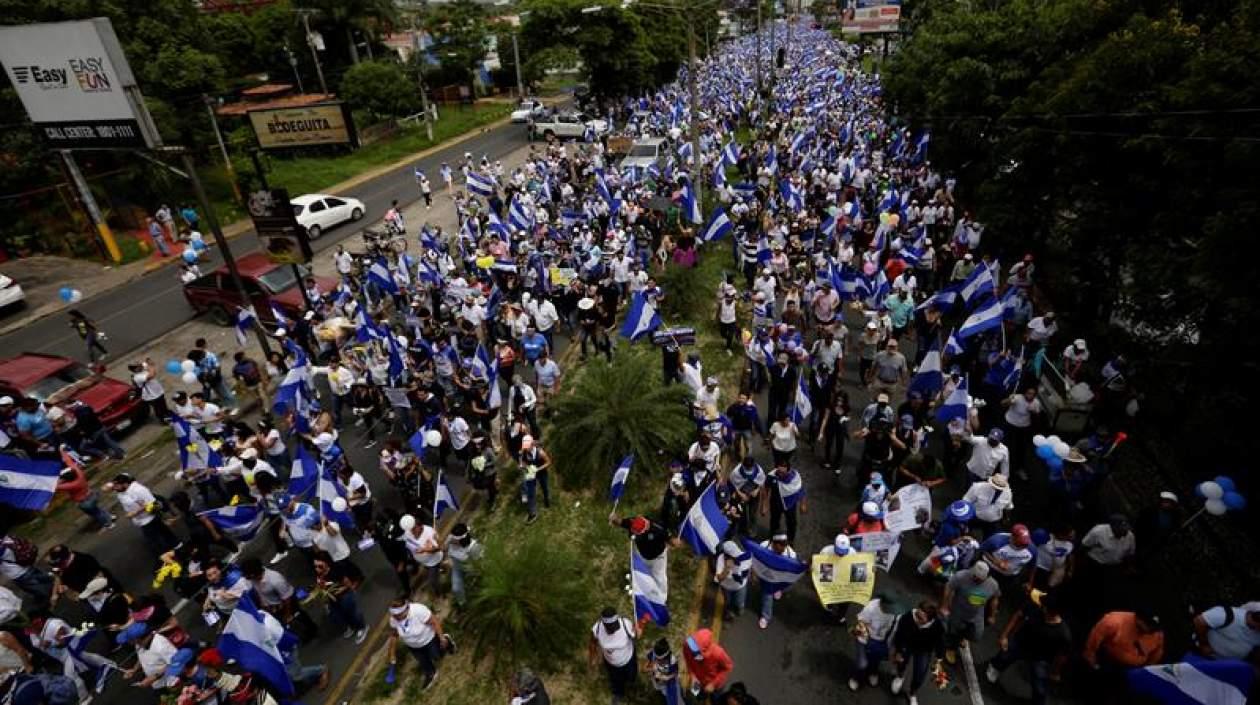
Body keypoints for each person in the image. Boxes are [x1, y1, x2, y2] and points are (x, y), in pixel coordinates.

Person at [985, 591, 1073, 705]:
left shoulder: (1063, 633)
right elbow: (1018, 615)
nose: (1041, 603)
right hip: (1020, 643)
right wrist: (1004, 636)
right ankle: (995, 667)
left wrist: (1055, 672)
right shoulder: (1035, 607)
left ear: (1048, 609)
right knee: (1004, 655)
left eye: (1044, 604)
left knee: (1040, 685)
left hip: (1040, 657)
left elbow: (1062, 655)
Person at [386, 596, 453, 692]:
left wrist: (441, 638)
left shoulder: (418, 610)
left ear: (405, 610)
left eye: (398, 615)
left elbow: (434, 622)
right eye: (393, 616)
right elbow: (394, 635)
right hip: (414, 646)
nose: (395, 618)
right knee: (423, 661)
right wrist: (392, 654)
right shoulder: (394, 619)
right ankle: (431, 674)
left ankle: (446, 640)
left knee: (437, 656)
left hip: (428, 639)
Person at [941, 561, 1000, 664]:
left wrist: (992, 615)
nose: (976, 579)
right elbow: (949, 587)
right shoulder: (961, 576)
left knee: (976, 635)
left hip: (977, 613)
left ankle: (962, 637)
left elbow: (995, 598)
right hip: (959, 609)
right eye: (975, 576)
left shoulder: (993, 584)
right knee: (954, 631)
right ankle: (951, 648)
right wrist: (944, 606)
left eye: (979, 579)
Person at [889, 601, 946, 705]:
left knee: (920, 674)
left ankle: (912, 693)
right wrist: (898, 651)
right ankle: (900, 676)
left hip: (923, 650)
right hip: (907, 645)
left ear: (930, 620)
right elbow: (899, 635)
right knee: (901, 662)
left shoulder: (937, 626)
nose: (917, 618)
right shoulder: (908, 617)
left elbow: (940, 642)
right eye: (917, 615)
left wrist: (939, 658)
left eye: (921, 618)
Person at [109, 473, 178, 557]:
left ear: (125, 484)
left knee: (155, 541)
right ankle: (175, 546)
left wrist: (135, 512)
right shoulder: (120, 493)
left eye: (117, 485)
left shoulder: (138, 490)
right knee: (163, 532)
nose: (114, 487)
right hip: (140, 520)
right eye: (114, 485)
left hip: (149, 518)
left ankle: (168, 555)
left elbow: (152, 504)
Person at [311, 550, 368, 644]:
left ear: (327, 563)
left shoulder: (336, 570)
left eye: (320, 566)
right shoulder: (320, 574)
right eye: (315, 566)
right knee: (340, 615)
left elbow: (347, 584)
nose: (317, 569)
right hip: (333, 600)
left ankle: (362, 627)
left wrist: (339, 591)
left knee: (353, 613)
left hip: (345, 597)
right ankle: (352, 626)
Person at [588, 607, 638, 705]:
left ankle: (632, 685)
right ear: (604, 624)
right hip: (611, 663)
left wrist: (639, 627)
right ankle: (618, 694)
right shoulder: (597, 629)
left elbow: (636, 635)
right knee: (616, 680)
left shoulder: (625, 624)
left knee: (631, 676)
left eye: (615, 625)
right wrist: (593, 657)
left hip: (628, 660)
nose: (614, 629)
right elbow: (592, 643)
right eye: (610, 627)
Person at [849, 595, 897, 691]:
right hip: (865, 638)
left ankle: (873, 673)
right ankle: (856, 677)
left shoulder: (895, 612)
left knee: (875, 661)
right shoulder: (871, 607)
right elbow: (861, 621)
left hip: (881, 642)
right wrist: (867, 636)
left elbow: (894, 628)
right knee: (862, 664)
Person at [54, 463, 115, 531]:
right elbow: (73, 466)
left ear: (66, 478)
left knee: (96, 513)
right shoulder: (80, 475)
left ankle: (108, 524)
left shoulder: (70, 485)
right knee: (97, 509)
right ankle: (109, 517)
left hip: (85, 502)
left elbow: (55, 486)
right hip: (92, 495)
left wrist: (60, 481)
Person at [1192, 602, 1260, 661]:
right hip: (1201, 656)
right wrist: (1204, 644)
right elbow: (1199, 621)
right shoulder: (1229, 615)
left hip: (1227, 666)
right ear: (1257, 619)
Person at [754, 534, 795, 629]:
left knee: (767, 594)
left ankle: (766, 616)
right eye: (782, 545)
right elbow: (756, 559)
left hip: (779, 577)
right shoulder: (764, 546)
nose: (784, 548)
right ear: (774, 544)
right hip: (765, 574)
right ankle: (766, 615)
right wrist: (754, 572)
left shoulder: (790, 554)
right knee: (766, 593)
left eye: (785, 545)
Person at [683, 629, 733, 702]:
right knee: (697, 697)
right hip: (698, 681)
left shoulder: (718, 653)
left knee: (716, 699)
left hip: (715, 684)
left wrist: (713, 684)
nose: (692, 654)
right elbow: (688, 662)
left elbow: (728, 667)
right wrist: (693, 676)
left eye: (695, 653)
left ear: (705, 651)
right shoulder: (687, 647)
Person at [445, 523, 482, 608]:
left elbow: (479, 561)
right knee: (456, 588)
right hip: (457, 567)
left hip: (470, 567)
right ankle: (463, 603)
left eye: (454, 538)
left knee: (478, 582)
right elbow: (444, 547)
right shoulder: (451, 538)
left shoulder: (473, 547)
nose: (451, 539)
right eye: (451, 536)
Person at [519, 435, 552, 525]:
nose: (526, 448)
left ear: (532, 444)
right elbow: (523, 461)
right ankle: (533, 513)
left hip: (541, 473)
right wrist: (523, 466)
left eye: (527, 446)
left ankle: (547, 500)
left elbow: (548, 462)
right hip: (531, 474)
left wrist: (538, 469)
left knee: (544, 487)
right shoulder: (524, 452)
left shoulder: (541, 452)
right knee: (531, 492)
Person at [715, 541, 752, 621]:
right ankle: (729, 614)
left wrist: (750, 575)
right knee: (728, 602)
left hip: (740, 586)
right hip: (726, 587)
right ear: (726, 556)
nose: (737, 558)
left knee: (739, 602)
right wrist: (726, 569)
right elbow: (719, 578)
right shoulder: (721, 560)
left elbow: (749, 566)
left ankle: (739, 608)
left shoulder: (744, 555)